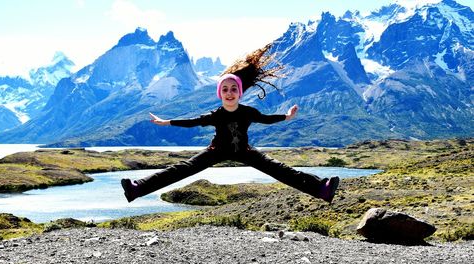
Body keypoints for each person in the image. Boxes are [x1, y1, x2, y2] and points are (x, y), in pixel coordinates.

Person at [121, 44, 340, 204]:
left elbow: (265, 119)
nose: (229, 92)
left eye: (233, 89)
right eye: (224, 89)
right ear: (220, 94)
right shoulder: (216, 114)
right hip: (216, 151)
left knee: (279, 169)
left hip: (244, 151)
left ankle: (322, 189)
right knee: (182, 169)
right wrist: (166, 122)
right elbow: (193, 122)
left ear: (239, 93)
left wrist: (286, 117)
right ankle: (137, 189)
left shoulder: (248, 112)